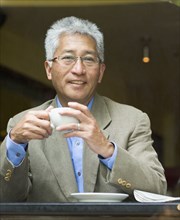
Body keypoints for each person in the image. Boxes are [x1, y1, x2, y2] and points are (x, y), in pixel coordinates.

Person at [0, 16, 167, 202]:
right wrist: (15, 143)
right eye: (68, 58)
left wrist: (107, 149)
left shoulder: (132, 120)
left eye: (88, 59)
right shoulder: (22, 125)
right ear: (48, 69)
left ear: (101, 71)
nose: (79, 69)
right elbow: (5, 198)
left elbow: (157, 189)